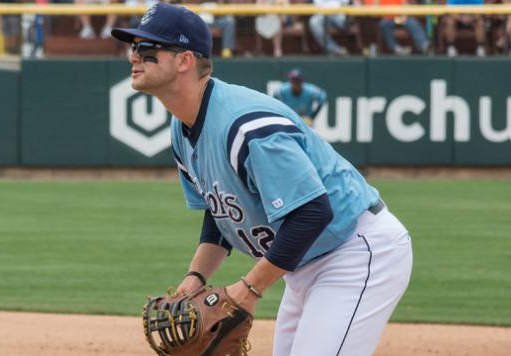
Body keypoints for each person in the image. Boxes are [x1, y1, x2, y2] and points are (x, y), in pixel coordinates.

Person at [111, 3, 413, 355]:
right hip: (303, 264)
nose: (134, 55)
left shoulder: (248, 127)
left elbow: (314, 212)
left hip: (354, 251)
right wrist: (195, 279)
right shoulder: (183, 127)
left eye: (147, 49)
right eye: (133, 47)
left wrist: (249, 289)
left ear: (184, 60)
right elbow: (220, 210)